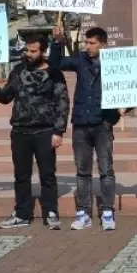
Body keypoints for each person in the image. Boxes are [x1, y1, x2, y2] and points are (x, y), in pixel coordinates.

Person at [0, 35, 69, 230]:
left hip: (45, 131)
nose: (29, 54)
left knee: (47, 175)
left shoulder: (54, 73)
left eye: (33, 51)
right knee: (21, 175)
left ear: (43, 52)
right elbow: (7, 97)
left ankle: (51, 212)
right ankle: (22, 213)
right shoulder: (18, 70)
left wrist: (59, 131)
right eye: (27, 50)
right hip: (20, 132)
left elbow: (63, 103)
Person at [51, 25, 119, 231]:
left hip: (102, 123)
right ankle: (83, 213)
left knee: (106, 170)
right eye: (86, 43)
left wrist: (118, 113)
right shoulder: (81, 59)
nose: (88, 47)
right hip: (81, 123)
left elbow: (128, 87)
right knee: (82, 171)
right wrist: (57, 42)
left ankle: (107, 211)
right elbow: (56, 63)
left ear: (103, 44)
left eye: (92, 43)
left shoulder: (116, 63)